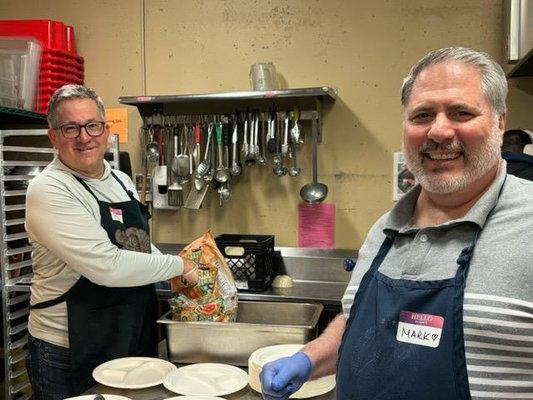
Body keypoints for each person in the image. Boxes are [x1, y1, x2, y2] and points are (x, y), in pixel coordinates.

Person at [260, 47, 533, 400]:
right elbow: (361, 321)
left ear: (500, 122)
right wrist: (309, 358)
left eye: (461, 112)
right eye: (422, 115)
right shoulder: (385, 230)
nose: (438, 131)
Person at [24, 84, 199, 400]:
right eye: (70, 128)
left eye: (92, 125)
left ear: (105, 130)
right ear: (53, 136)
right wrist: (179, 265)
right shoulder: (49, 189)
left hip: (126, 337)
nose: (84, 136)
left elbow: (140, 247)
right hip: (68, 349)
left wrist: (174, 275)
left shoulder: (119, 179)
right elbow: (106, 265)